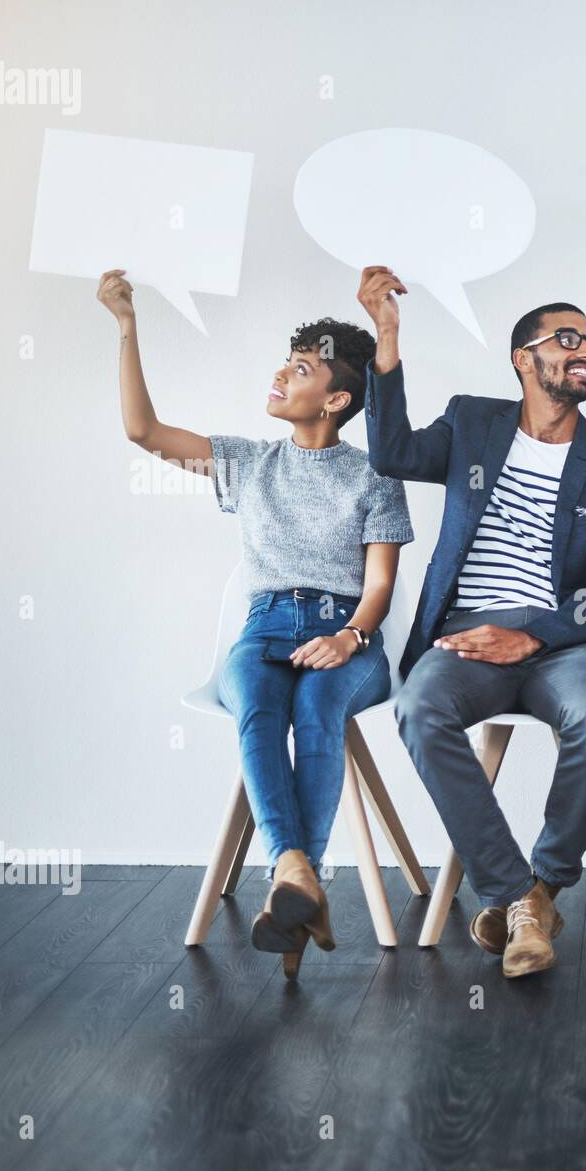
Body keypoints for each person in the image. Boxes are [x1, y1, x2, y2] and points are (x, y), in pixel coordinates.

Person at [96, 270, 413, 980]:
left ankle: (294, 879)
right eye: (285, 360)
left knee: (319, 702)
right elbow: (142, 431)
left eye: (299, 369)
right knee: (261, 705)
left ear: (335, 399)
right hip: (264, 628)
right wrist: (126, 325)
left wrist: (349, 638)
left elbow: (382, 584)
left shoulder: (376, 476)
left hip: (348, 633)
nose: (280, 373)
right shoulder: (247, 462)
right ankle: (297, 872)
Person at [356, 265, 586, 979]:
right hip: (465, 632)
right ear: (524, 359)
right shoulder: (473, 423)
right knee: (421, 709)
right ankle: (517, 896)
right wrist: (386, 340)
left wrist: (535, 635)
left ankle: (543, 886)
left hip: (565, 639)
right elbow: (392, 454)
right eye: (567, 338)